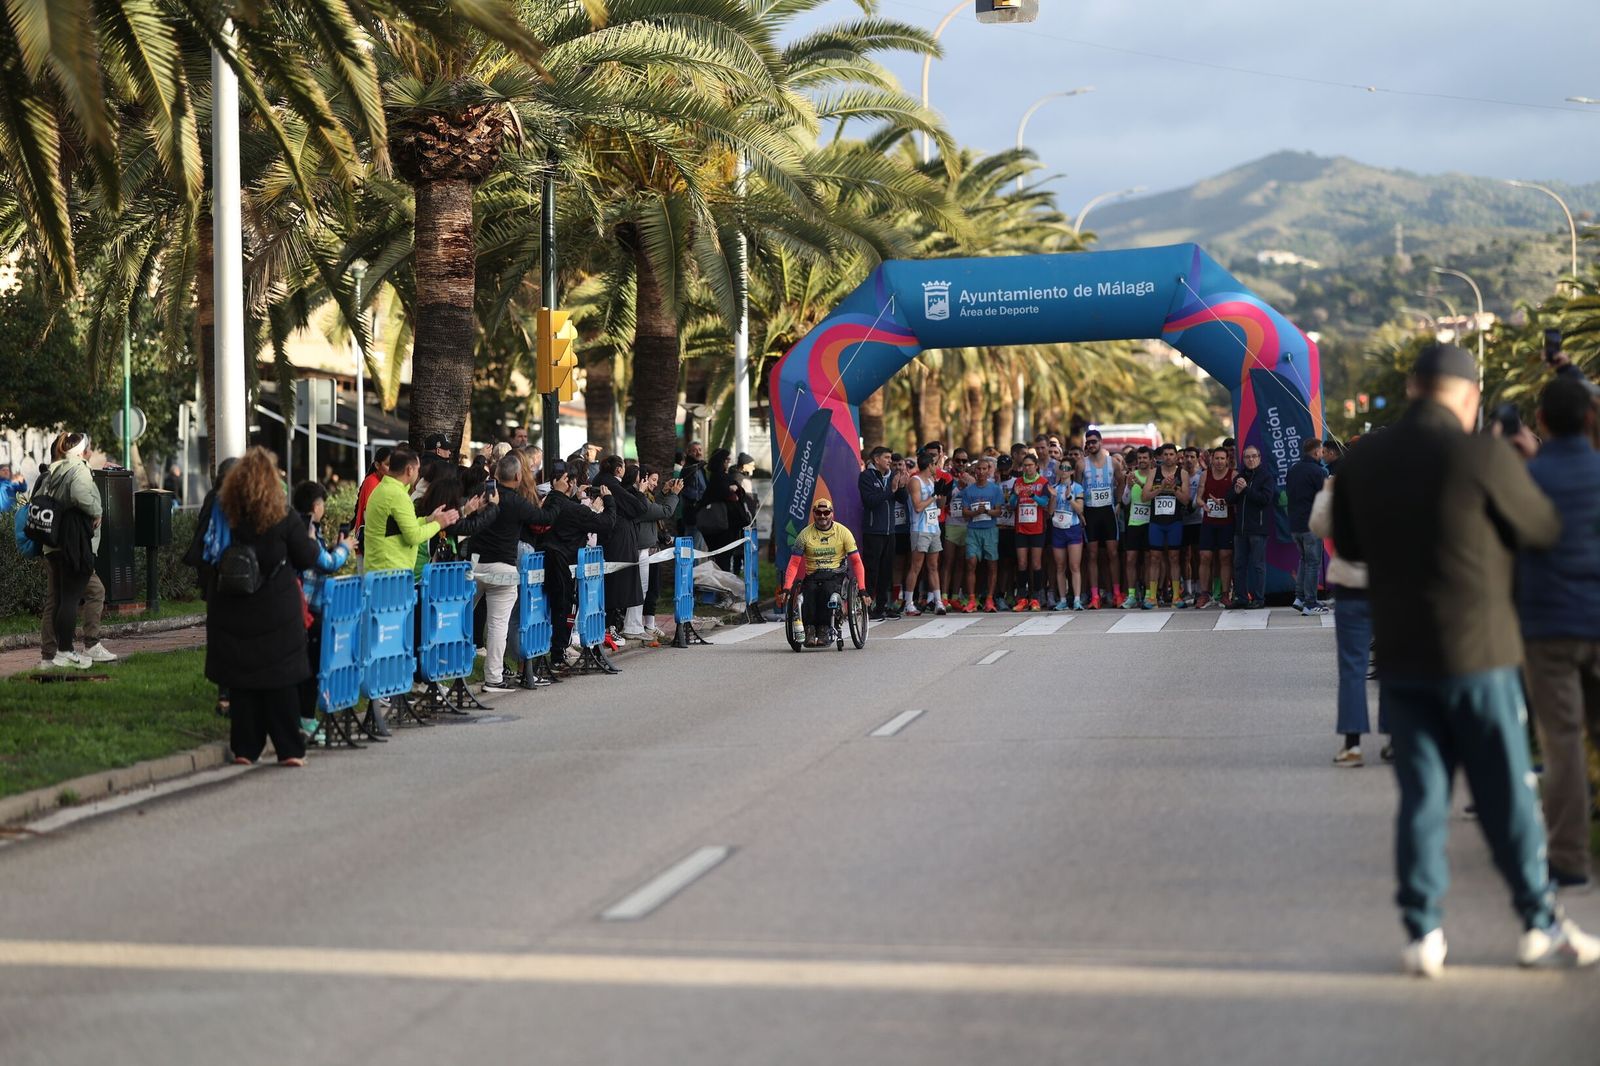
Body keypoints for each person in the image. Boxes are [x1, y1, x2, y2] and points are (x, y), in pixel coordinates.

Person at [1332, 342, 1599, 977]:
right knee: (1505, 793)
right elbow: (1541, 528)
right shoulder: (1481, 454)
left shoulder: (1365, 458)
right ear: (1467, 396)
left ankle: (1422, 932)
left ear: (1412, 389)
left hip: (1401, 655)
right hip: (1482, 653)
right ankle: (1538, 924)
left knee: (1421, 797)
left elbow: (1352, 543)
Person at [1516, 376, 1600, 891]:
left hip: (1548, 627)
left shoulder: (1527, 479)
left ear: (1540, 422)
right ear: (1590, 418)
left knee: (1563, 741)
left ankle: (1567, 857)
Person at [207, 447, 328, 767]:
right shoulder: (283, 516)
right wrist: (313, 539)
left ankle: (245, 748)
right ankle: (288, 748)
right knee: (282, 679)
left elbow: (208, 554)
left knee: (243, 679)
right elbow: (305, 557)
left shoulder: (227, 514)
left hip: (233, 603)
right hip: (276, 606)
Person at [1310, 474, 1388, 767]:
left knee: (1352, 667)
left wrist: (1328, 492)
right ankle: (1394, 738)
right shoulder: (1397, 493)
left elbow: (1319, 526)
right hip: (1388, 587)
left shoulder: (1344, 494)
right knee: (1391, 663)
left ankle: (1352, 745)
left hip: (1351, 586)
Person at [36, 433, 109, 669]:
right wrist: (97, 510)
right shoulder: (78, 470)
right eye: (87, 448)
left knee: (55, 600)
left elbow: (37, 501)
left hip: (52, 544)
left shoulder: (51, 472)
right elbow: (80, 494)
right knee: (76, 596)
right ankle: (77, 648)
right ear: (80, 452)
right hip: (74, 544)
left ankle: (50, 655)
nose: (89, 452)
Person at [290, 480, 355, 737]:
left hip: (305, 606)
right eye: (323, 504)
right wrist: (344, 548)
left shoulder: (302, 527)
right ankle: (304, 720)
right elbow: (325, 562)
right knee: (309, 668)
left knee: (307, 666)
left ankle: (303, 718)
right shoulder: (305, 529)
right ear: (316, 506)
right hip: (307, 609)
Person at [539, 461, 617, 666]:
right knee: (563, 609)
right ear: (570, 483)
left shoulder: (547, 503)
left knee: (544, 610)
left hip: (544, 563)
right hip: (562, 566)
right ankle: (557, 654)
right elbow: (607, 523)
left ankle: (548, 655)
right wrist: (608, 500)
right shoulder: (574, 510)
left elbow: (559, 509)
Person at [780, 497, 867, 646]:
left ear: (832, 513)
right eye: (818, 513)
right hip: (813, 575)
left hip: (836, 575)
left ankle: (824, 628)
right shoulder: (804, 535)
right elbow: (794, 563)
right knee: (809, 592)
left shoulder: (843, 532)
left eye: (826, 512)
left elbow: (857, 562)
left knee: (827, 591)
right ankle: (809, 628)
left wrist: (862, 589)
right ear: (813, 513)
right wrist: (787, 588)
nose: (822, 516)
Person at [363, 446, 459, 574]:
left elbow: (398, 527)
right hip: (391, 573)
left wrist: (427, 520)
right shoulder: (397, 495)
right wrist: (438, 524)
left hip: (381, 569)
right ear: (409, 470)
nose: (419, 474)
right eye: (418, 469)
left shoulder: (382, 489)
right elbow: (413, 536)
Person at [594, 455, 646, 646]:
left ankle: (610, 626)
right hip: (617, 540)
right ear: (618, 469)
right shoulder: (612, 485)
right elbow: (639, 507)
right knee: (615, 585)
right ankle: (609, 627)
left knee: (613, 583)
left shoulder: (602, 481)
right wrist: (640, 492)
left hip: (610, 538)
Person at [626, 465, 680, 641]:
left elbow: (653, 506)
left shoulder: (644, 497)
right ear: (643, 479)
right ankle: (633, 626)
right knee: (639, 589)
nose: (656, 484)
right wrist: (674, 494)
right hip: (641, 549)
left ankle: (640, 625)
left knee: (647, 588)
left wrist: (665, 493)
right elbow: (662, 511)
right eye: (653, 480)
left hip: (648, 548)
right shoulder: (636, 498)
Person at [1077, 429, 1123, 609]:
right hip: (1090, 512)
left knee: (1112, 553)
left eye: (1094, 441)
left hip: (1108, 512)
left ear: (1101, 442)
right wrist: (1080, 512)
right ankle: (1095, 596)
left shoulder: (1113, 463)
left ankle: (1117, 594)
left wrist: (1118, 503)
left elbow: (1121, 482)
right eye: (1088, 442)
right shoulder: (1081, 464)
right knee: (1093, 555)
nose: (1091, 445)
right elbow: (1077, 488)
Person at [857, 446, 903, 620]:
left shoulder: (891, 475)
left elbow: (902, 499)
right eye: (887, 457)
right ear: (876, 460)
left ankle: (882, 606)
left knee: (886, 570)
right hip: (873, 531)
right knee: (872, 570)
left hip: (890, 531)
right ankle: (867, 606)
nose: (890, 461)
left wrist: (902, 486)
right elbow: (870, 501)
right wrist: (890, 490)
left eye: (891, 458)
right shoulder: (866, 477)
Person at [1286, 440, 1329, 615]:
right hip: (1311, 523)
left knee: (1304, 560)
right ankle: (1310, 603)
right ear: (1317, 451)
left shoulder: (1293, 469)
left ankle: (1300, 597)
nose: (1323, 454)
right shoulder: (1318, 471)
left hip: (1295, 524)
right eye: (1322, 451)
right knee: (1312, 563)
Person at [902, 450, 946, 616]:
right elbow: (918, 506)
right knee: (916, 566)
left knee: (934, 566)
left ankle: (938, 601)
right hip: (920, 529)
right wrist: (933, 496)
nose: (936, 467)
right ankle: (908, 603)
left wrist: (941, 493)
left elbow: (940, 506)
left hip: (934, 527)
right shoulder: (915, 481)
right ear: (929, 465)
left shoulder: (932, 479)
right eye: (935, 464)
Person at [1231, 445, 1274, 609]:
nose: (1250, 460)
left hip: (1258, 529)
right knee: (1239, 565)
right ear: (1243, 459)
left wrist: (1246, 490)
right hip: (1240, 530)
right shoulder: (1240, 476)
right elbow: (1229, 498)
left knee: (1258, 565)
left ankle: (1259, 599)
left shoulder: (1265, 476)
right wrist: (1236, 490)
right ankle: (1241, 597)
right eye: (1247, 457)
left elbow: (1265, 499)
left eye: (1253, 456)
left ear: (1259, 458)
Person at [1146, 443, 1189, 608]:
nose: (1169, 457)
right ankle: (1152, 597)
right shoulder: (1153, 472)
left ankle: (1176, 596)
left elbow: (1186, 500)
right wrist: (1161, 488)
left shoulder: (1182, 473)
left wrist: (1173, 489)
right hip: (1156, 522)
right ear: (1161, 456)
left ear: (1176, 456)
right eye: (1166, 454)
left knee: (1174, 558)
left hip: (1174, 521)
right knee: (1154, 558)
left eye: (1172, 454)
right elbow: (1145, 496)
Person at [1195, 446, 1235, 609]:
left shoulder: (1233, 475)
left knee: (1225, 556)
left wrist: (1225, 502)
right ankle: (1204, 593)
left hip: (1227, 523)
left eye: (1222, 458)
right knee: (1205, 556)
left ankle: (1225, 594)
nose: (1219, 461)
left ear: (1227, 460)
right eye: (1216, 458)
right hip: (1209, 522)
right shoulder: (1205, 475)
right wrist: (1203, 504)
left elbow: (1237, 498)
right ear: (1211, 459)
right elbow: (1198, 498)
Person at [1008, 453, 1050, 611]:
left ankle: (1036, 597)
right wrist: (1016, 496)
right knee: (1022, 563)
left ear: (1036, 466)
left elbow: (1045, 502)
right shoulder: (1018, 482)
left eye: (1030, 465)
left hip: (1037, 529)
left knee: (1036, 563)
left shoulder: (1043, 482)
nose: (1027, 468)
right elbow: (1011, 505)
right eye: (1025, 465)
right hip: (1021, 529)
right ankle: (1022, 597)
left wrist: (1033, 495)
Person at [962, 457, 1004, 612]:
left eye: (984, 469)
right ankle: (972, 599)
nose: (981, 472)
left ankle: (989, 600)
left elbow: (998, 511)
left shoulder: (995, 489)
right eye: (978, 469)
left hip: (990, 530)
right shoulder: (969, 490)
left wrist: (986, 511)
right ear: (974, 471)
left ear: (989, 470)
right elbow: (965, 513)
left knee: (992, 564)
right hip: (973, 530)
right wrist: (975, 512)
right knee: (971, 562)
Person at [1048, 459, 1085, 610]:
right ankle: (1062, 599)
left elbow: (1080, 510)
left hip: (1073, 528)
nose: (1063, 470)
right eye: (1061, 468)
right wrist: (1053, 497)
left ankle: (1076, 599)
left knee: (1074, 565)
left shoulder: (1077, 488)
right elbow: (1050, 512)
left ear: (1071, 472)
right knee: (1060, 566)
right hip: (1058, 529)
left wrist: (1070, 498)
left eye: (1067, 468)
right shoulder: (1054, 488)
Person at [1120, 448, 1154, 609]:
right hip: (1134, 522)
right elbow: (1125, 501)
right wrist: (1127, 486)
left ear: (1151, 459)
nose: (1142, 460)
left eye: (1145, 457)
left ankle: (1148, 595)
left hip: (1150, 523)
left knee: (1148, 560)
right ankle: (1132, 595)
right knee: (1130, 559)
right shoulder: (1131, 477)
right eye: (1140, 458)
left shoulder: (1154, 476)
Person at [350, 446, 392, 549]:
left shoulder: (383, 481)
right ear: (377, 465)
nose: (391, 469)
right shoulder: (372, 482)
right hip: (369, 543)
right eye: (387, 465)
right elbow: (369, 514)